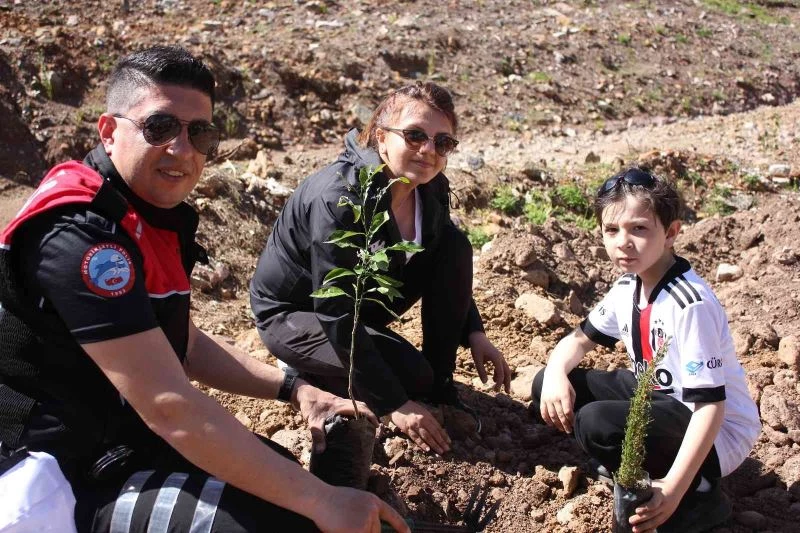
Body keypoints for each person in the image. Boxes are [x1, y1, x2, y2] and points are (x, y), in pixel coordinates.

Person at [0, 45, 409, 533]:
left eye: (200, 133)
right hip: (52, 475)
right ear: (109, 132)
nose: (182, 149)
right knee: (286, 519)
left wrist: (296, 389)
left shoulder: (142, 215)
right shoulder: (82, 236)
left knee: (281, 484)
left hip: (116, 441)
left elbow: (184, 343)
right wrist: (324, 501)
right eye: (159, 127)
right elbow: (169, 404)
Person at [250, 82, 511, 456]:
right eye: (415, 135)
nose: (428, 150)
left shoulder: (430, 188)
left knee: (454, 246)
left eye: (442, 142)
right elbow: (334, 309)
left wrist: (474, 332)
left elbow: (444, 265)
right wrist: (395, 404)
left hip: (361, 303)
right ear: (381, 137)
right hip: (297, 313)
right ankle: (302, 369)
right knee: (407, 379)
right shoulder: (341, 199)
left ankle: (440, 387)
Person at [530, 168, 760, 533]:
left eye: (638, 228)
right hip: (658, 397)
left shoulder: (689, 304)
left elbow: (710, 408)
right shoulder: (628, 287)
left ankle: (699, 494)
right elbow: (578, 340)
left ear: (670, 233)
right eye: (612, 230)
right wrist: (557, 373)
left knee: (596, 424)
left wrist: (673, 488)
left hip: (715, 432)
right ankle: (645, 467)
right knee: (547, 383)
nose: (623, 242)